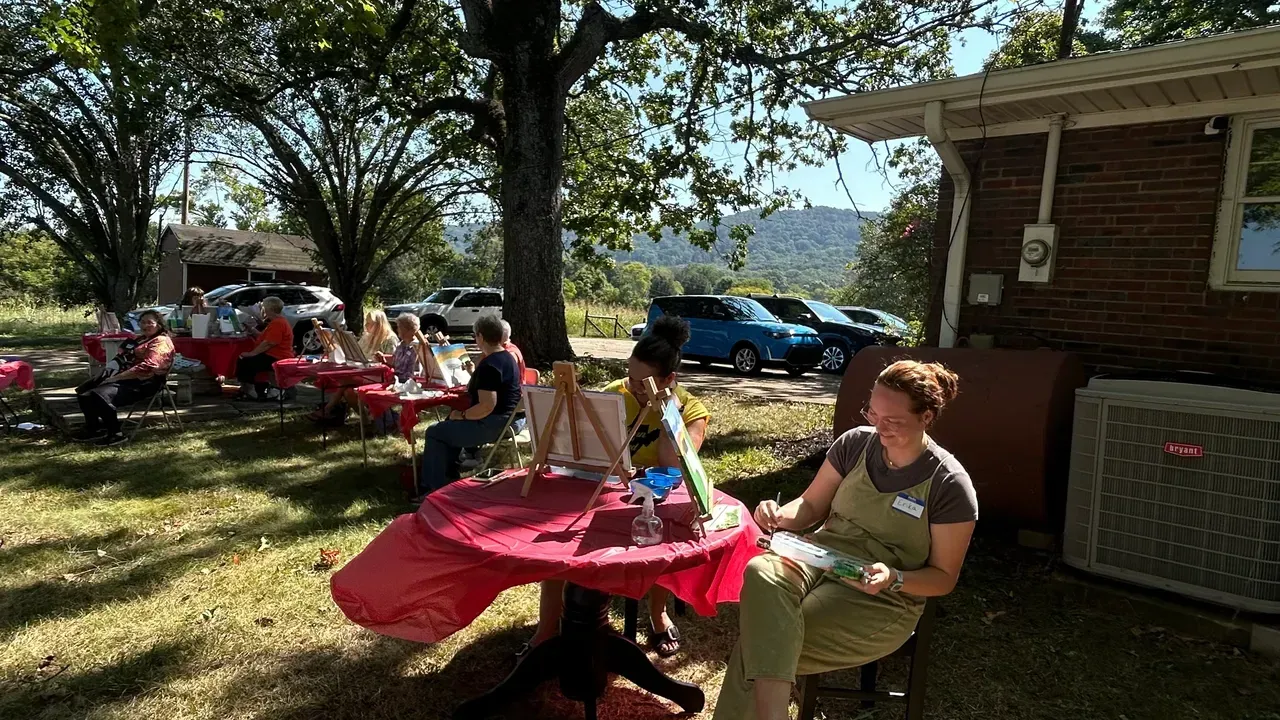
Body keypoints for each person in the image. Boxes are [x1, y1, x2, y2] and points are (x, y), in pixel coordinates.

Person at [713, 359, 978, 720]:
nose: (878, 427)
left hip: (881, 597)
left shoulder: (949, 484)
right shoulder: (855, 445)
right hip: (819, 556)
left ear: (927, 417)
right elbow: (809, 506)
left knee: (759, 648)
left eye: (893, 421)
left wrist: (895, 578)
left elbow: (943, 578)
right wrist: (780, 513)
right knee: (762, 570)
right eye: (873, 412)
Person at [531, 315, 709, 658]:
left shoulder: (691, 409)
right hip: (606, 492)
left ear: (668, 379)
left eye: (643, 382)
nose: (632, 385)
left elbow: (671, 466)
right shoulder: (614, 393)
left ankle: (657, 615)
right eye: (630, 375)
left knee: (662, 536)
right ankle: (546, 629)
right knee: (559, 539)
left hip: (655, 499)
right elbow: (581, 449)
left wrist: (668, 411)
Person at [417, 314, 520, 498]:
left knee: (434, 431)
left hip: (495, 424)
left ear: (480, 337)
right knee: (448, 424)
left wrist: (462, 416)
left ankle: (433, 490)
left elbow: (487, 406)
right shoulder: (506, 357)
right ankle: (447, 480)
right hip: (511, 421)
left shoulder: (490, 364)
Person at [72, 310, 175, 447]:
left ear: (159, 325)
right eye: (143, 322)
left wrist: (117, 377)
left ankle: (116, 434)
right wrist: (108, 373)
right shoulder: (140, 339)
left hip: (146, 381)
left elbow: (149, 366)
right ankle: (94, 428)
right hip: (125, 377)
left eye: (149, 323)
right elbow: (121, 357)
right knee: (85, 390)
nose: (145, 325)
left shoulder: (161, 341)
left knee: (100, 394)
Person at [310, 310, 398, 422]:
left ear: (379, 324)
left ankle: (327, 409)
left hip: (381, 375)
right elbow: (356, 352)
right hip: (364, 372)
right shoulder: (367, 336)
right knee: (348, 392)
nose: (366, 325)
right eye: (366, 322)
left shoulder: (390, 338)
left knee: (345, 379)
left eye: (369, 323)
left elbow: (392, 361)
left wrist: (379, 359)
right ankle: (365, 420)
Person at [234, 296, 294, 400]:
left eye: (263, 307)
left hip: (277, 356)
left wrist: (252, 353)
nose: (262, 309)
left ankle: (250, 391)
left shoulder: (278, 323)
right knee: (247, 359)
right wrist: (251, 330)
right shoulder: (277, 321)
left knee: (245, 360)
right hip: (273, 354)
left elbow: (269, 343)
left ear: (269, 309)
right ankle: (252, 389)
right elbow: (265, 337)